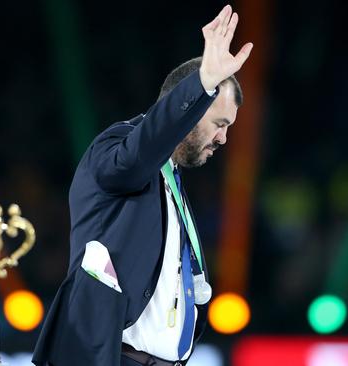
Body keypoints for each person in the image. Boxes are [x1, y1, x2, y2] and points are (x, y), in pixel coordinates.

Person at [32, 4, 252, 366]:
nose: (223, 139)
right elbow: (137, 157)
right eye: (219, 122)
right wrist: (203, 84)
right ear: (187, 105)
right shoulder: (117, 148)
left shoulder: (171, 181)